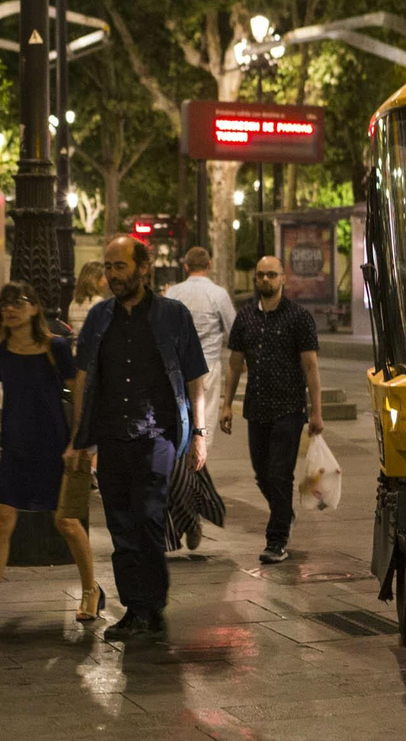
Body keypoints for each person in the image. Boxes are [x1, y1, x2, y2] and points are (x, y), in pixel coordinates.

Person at [65, 236, 208, 639]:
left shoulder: (173, 315)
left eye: (120, 266)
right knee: (120, 524)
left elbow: (195, 379)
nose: (112, 274)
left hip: (157, 435)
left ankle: (150, 605)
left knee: (146, 519)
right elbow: (83, 379)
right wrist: (78, 438)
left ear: (143, 268)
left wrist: (199, 432)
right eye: (108, 267)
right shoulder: (98, 318)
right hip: (111, 436)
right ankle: (137, 607)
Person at [0, 281, 102, 634]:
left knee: (66, 522)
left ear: (35, 308)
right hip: (15, 449)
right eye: (5, 303)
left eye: (19, 302)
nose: (10, 308)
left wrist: (78, 442)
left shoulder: (55, 348)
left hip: (53, 446)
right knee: (1, 520)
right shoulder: (1, 353)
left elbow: (78, 390)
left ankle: (91, 590)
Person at [220, 256, 323, 564]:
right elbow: (235, 365)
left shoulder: (299, 318)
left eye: (271, 275)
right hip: (256, 408)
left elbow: (311, 367)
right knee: (262, 475)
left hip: (289, 409)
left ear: (283, 280)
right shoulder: (245, 318)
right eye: (260, 275)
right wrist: (226, 404)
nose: (265, 279)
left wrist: (316, 412)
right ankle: (284, 513)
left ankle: (276, 540)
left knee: (279, 474)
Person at [163, 246, 236, 549]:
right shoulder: (218, 295)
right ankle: (195, 511)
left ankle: (188, 514)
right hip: (209, 374)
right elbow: (235, 332)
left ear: (185, 265)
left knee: (183, 445)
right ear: (209, 264)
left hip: (175, 375)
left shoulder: (173, 293)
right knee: (199, 444)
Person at [67, 262, 108, 333]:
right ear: (96, 279)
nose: (107, 281)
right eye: (105, 276)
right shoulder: (99, 302)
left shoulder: (73, 303)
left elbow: (70, 329)